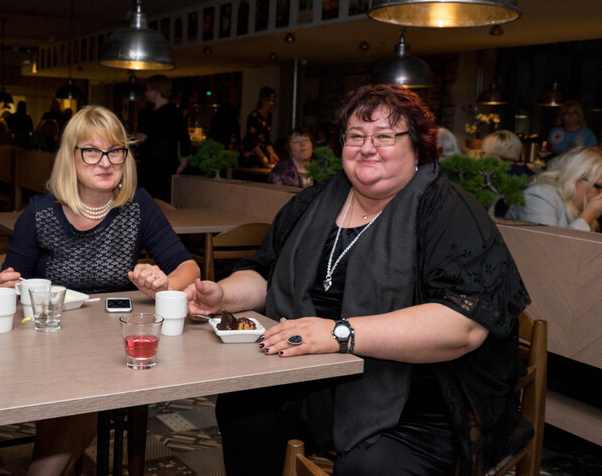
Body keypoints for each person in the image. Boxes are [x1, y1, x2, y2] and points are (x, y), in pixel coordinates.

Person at [185, 85, 530, 475]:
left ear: (417, 146)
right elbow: (267, 273)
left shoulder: (449, 212)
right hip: (306, 381)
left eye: (384, 136)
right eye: (355, 136)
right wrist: (223, 295)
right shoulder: (314, 202)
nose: (367, 148)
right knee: (241, 410)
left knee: (369, 467)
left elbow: (462, 326)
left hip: (416, 399)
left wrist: (338, 333)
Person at [0, 105, 200, 475]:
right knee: (80, 397)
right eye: (91, 151)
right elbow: (13, 281)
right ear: (70, 156)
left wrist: (165, 285)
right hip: (49, 343)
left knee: (86, 394)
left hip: (113, 343)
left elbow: (189, 268)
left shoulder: (137, 205)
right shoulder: (40, 212)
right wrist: (0, 286)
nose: (105, 162)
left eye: (115, 151)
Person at [506, 146, 602, 231]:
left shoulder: (577, 207)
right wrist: (587, 216)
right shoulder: (540, 196)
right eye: (598, 186)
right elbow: (546, 243)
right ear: (574, 177)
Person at [135, 74, 192, 201]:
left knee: (161, 200)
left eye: (148, 89)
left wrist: (183, 163)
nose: (145, 93)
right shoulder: (145, 113)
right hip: (146, 164)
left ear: (156, 92)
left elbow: (184, 138)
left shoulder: (174, 113)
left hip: (165, 165)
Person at [241, 86, 280, 168]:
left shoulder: (269, 116)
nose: (271, 103)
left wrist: (272, 153)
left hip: (262, 151)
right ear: (262, 100)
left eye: (273, 101)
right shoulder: (254, 116)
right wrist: (262, 156)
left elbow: (266, 138)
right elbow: (251, 139)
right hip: (251, 152)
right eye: (268, 100)